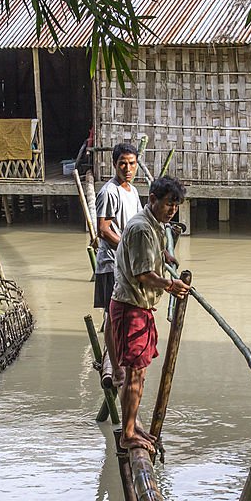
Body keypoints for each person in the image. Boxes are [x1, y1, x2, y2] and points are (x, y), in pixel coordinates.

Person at [110, 176, 190, 451]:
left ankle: (132, 426)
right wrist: (170, 284)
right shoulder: (143, 229)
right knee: (134, 372)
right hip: (132, 306)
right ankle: (128, 433)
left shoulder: (153, 225)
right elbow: (143, 274)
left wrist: (164, 254)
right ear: (153, 199)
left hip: (136, 305)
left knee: (139, 371)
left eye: (176, 205)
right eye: (169, 203)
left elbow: (149, 253)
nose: (172, 210)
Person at [94, 143, 143, 387]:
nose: (127, 168)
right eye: (122, 163)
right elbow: (103, 229)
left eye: (132, 163)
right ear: (115, 164)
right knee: (112, 317)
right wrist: (125, 249)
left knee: (123, 315)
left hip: (126, 264)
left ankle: (122, 362)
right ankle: (116, 369)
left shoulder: (132, 192)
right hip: (111, 263)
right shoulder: (109, 191)